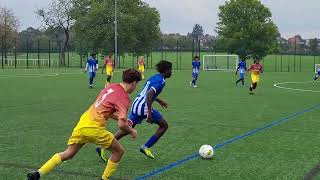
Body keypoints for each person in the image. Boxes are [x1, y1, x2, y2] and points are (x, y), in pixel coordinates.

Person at [27, 69, 142, 180]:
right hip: (95, 128)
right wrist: (132, 130)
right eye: (136, 84)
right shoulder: (124, 98)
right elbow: (121, 126)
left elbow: (105, 110)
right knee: (119, 152)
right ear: (134, 83)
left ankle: (38, 173)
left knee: (68, 153)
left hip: (83, 123)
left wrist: (121, 118)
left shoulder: (111, 87)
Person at [96, 60, 172, 160]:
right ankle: (146, 147)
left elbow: (149, 92)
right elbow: (149, 94)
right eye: (171, 70)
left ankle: (102, 147)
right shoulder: (161, 81)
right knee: (164, 125)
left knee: (128, 128)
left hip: (137, 103)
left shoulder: (154, 77)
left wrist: (159, 101)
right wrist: (149, 113)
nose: (171, 72)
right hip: (143, 107)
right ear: (166, 71)